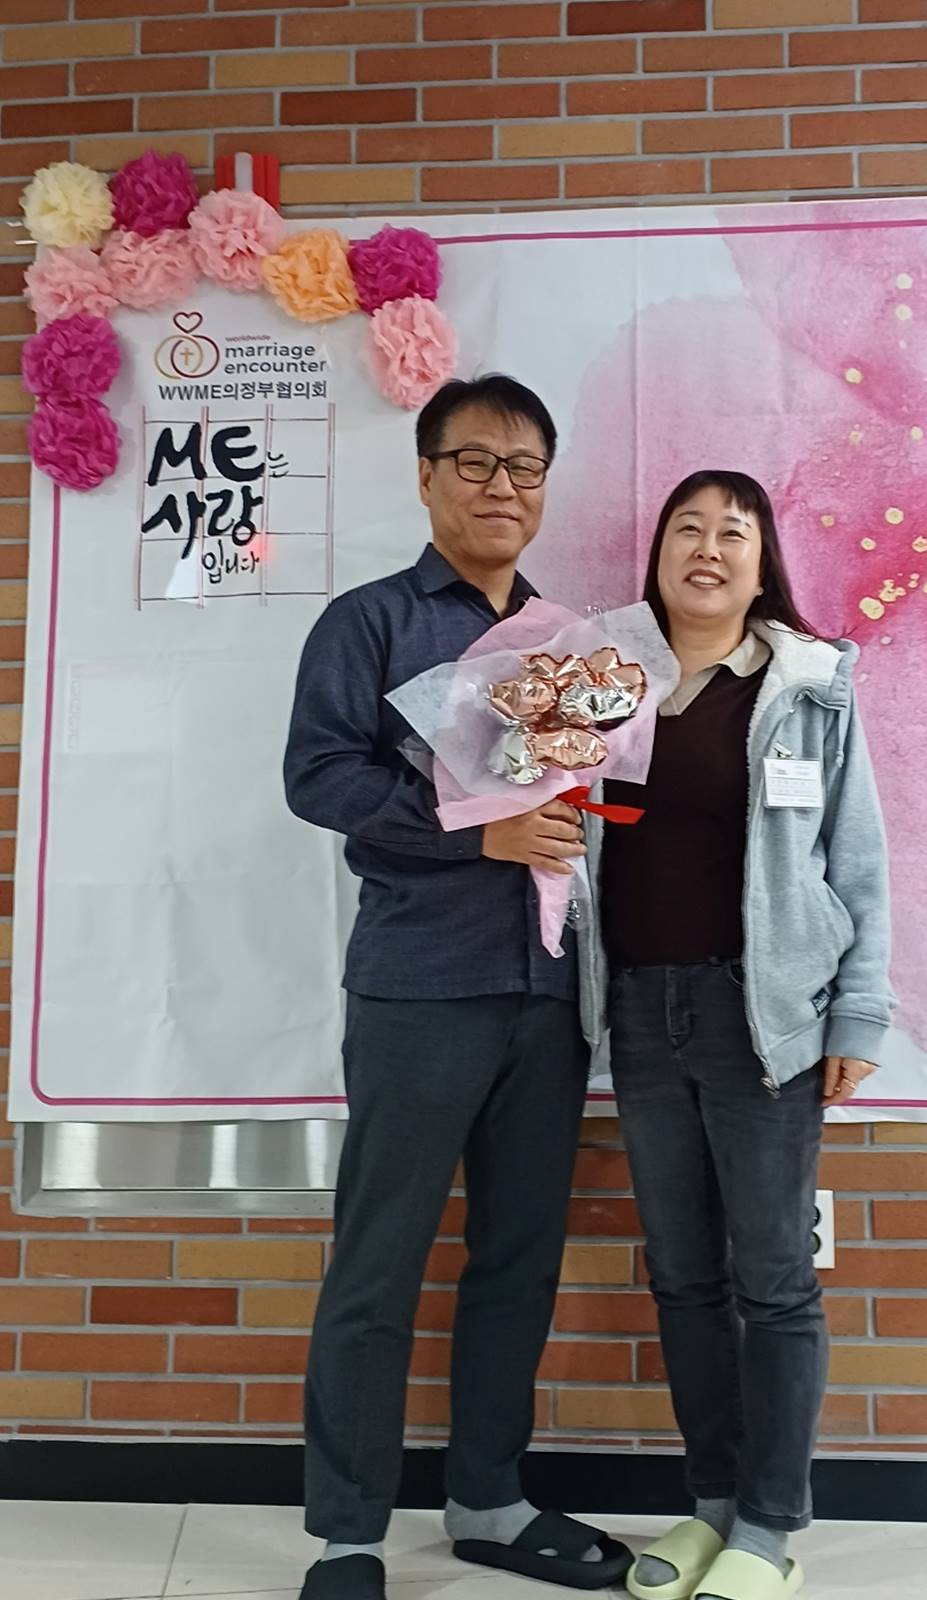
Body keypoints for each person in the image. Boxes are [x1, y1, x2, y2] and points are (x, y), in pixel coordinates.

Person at [284, 375, 632, 1600]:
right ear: (427, 475)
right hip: (420, 987)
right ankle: (348, 1536)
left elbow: (591, 789)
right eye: (476, 461)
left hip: (547, 988)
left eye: (525, 466)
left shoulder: (570, 641)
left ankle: (488, 1498)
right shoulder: (369, 623)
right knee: (378, 1260)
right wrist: (474, 830)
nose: (502, 486)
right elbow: (318, 776)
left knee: (518, 1256)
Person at [581, 471, 894, 1600]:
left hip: (763, 1017)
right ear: (657, 551)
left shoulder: (810, 687)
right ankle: (710, 1508)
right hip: (640, 1012)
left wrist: (858, 1011)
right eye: (688, 529)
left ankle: (768, 1527)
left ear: (763, 567)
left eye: (734, 533)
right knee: (681, 1276)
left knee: (772, 1279)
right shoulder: (600, 676)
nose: (707, 549)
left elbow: (858, 859)